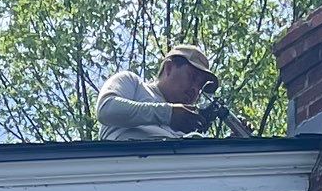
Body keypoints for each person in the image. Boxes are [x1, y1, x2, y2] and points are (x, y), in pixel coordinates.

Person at [97, 44, 227, 139]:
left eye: (201, 86)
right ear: (169, 68)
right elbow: (107, 109)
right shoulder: (132, 82)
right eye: (192, 77)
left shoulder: (185, 128)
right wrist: (168, 114)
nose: (196, 90)